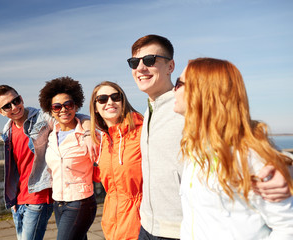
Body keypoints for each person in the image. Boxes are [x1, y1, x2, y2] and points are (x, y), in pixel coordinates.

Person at [127, 34, 292, 239]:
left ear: (171, 67)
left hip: (174, 231)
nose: (140, 67)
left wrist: (285, 168)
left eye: (150, 60)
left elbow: (246, 134)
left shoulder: (183, 110)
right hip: (151, 224)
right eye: (134, 62)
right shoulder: (152, 113)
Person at [174, 57, 293, 239]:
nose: (173, 91)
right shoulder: (196, 151)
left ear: (203, 92)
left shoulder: (249, 157)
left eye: (178, 83)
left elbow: (287, 227)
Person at [38, 77, 97, 240]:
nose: (63, 110)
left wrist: (88, 129)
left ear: (76, 105)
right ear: (51, 111)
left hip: (80, 201)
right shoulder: (50, 134)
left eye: (68, 104)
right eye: (56, 106)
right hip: (58, 201)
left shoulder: (88, 134)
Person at [0, 85, 53, 240]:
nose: (14, 107)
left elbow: (71, 117)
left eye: (16, 100)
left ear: (21, 98)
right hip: (18, 200)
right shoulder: (8, 131)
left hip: (38, 196)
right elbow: (15, 168)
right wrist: (13, 198)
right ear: (0, 112)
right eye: (7, 106)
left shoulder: (43, 118)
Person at [89, 81, 144, 240]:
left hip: (140, 224)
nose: (110, 102)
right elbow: (103, 176)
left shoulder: (141, 132)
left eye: (115, 97)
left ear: (123, 101)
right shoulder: (103, 141)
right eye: (102, 99)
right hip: (112, 223)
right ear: (96, 108)